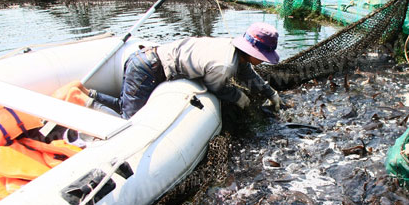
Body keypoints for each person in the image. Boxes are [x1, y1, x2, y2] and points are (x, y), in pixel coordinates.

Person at [87, 22, 283, 119]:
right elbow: (216, 87)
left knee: (126, 105)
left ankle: (88, 94)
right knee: (129, 119)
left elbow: (247, 72)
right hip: (148, 69)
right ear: (253, 52)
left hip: (148, 62)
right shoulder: (225, 64)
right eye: (263, 56)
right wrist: (238, 96)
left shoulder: (233, 51)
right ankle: (85, 100)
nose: (263, 60)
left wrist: (269, 92)